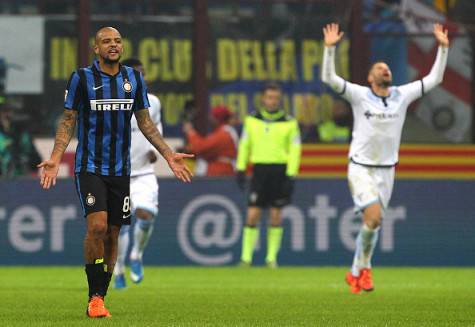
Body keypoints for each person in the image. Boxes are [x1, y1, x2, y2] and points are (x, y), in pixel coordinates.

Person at [37, 27, 193, 318]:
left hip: (122, 169)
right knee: (97, 227)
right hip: (91, 166)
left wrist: (168, 155)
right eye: (106, 41)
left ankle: (100, 297)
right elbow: (68, 120)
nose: (113, 45)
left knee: (112, 234)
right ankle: (94, 298)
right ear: (96, 48)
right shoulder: (82, 77)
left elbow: (146, 123)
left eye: (117, 41)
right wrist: (56, 158)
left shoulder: (133, 79)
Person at [321, 23, 449, 293]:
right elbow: (330, 80)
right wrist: (329, 50)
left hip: (387, 170)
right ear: (370, 78)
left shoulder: (402, 95)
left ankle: (356, 272)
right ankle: (364, 271)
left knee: (373, 224)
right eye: (379, 68)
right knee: (374, 218)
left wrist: (443, 48)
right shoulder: (359, 96)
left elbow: (435, 79)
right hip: (361, 168)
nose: (385, 69)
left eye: (387, 68)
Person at [236, 83, 301, 268]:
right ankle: (246, 258)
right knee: (252, 214)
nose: (272, 101)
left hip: (280, 171)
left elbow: (295, 149)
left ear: (280, 100)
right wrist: (240, 167)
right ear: (263, 99)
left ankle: (271, 258)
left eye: (275, 98)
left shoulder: (289, 122)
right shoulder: (252, 120)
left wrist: (291, 175)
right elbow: (244, 145)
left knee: (275, 214)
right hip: (259, 170)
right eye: (269, 97)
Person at [113, 58, 162, 289]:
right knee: (120, 226)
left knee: (146, 213)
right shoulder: (111, 103)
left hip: (143, 173)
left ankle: (137, 255)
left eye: (143, 73)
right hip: (117, 174)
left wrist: (154, 150)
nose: (141, 77)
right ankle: (119, 270)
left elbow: (156, 128)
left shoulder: (153, 102)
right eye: (136, 74)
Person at [183, 105, 238, 176]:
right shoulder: (227, 131)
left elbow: (199, 147)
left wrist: (191, 132)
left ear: (218, 119)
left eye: (213, 117)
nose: (210, 119)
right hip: (225, 171)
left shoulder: (224, 134)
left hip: (221, 173)